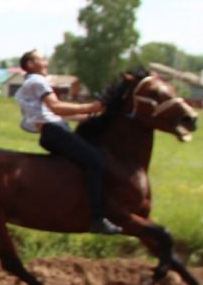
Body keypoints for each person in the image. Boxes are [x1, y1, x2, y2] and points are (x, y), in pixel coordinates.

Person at [15, 49, 123, 235]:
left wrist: (89, 115)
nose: (46, 62)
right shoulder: (38, 80)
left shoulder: (30, 83)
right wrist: (90, 107)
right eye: (42, 58)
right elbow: (55, 107)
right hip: (55, 131)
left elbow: (54, 113)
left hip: (52, 131)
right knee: (96, 161)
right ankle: (97, 218)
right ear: (30, 65)